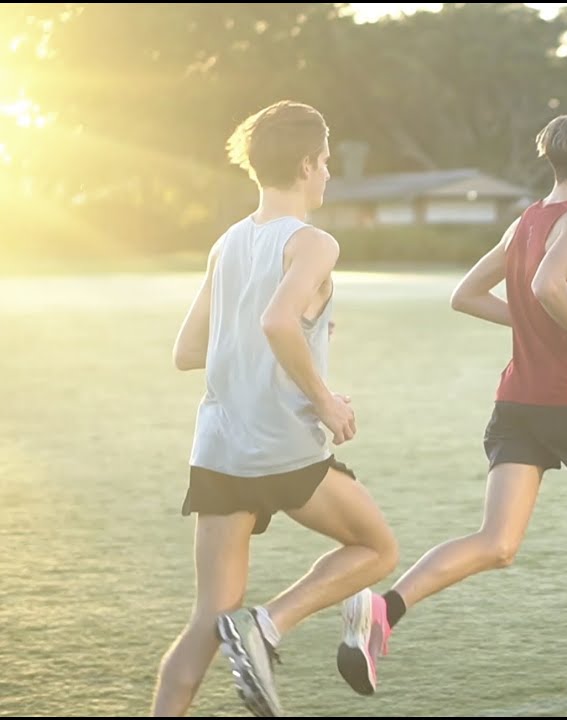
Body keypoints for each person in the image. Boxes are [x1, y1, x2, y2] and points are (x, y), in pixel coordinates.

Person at [335, 113, 567, 697]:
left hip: (517, 402)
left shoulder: (524, 222)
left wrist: (541, 324)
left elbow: (466, 295)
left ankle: (385, 609)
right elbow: (544, 286)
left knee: (497, 543)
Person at [152, 100, 399, 718]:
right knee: (378, 550)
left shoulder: (227, 243)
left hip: (220, 450)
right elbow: (277, 321)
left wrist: (300, 339)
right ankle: (267, 627)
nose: (328, 173)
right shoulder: (314, 243)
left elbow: (188, 351)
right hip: (282, 445)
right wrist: (325, 400)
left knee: (208, 620)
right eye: (326, 162)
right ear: (308, 164)